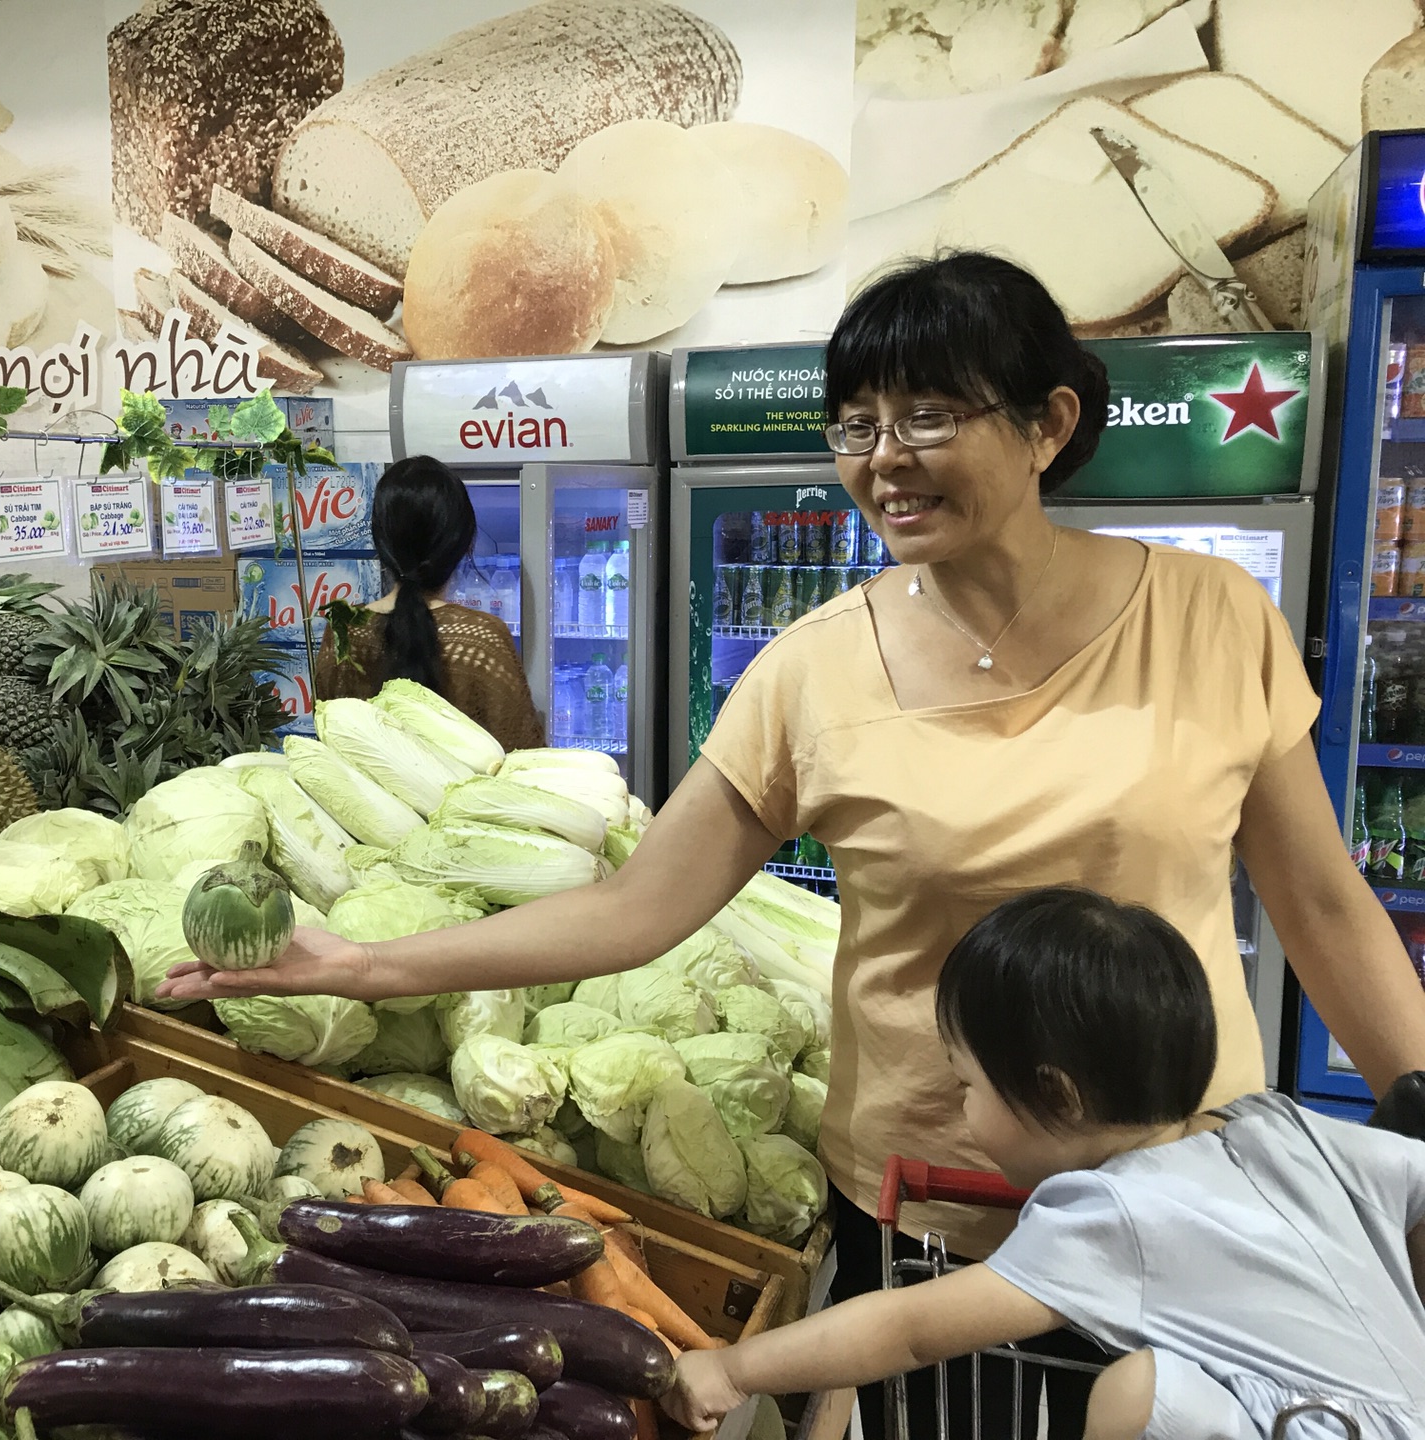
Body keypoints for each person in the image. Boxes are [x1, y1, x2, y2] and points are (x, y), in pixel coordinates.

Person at [163, 252, 1425, 1435]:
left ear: (1047, 423)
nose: (886, 460)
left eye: (930, 415)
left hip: (1197, 1179)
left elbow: (1320, 902)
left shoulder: (1213, 618)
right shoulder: (811, 671)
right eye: (857, 424)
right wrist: (358, 967)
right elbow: (635, 909)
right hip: (931, 1194)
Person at [664, 888, 1425, 1440]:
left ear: (1054, 1095)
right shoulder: (1280, 1123)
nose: (959, 1108)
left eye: (966, 1085)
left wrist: (732, 1371)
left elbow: (910, 1329)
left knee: (1139, 1394)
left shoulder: (1112, 1217)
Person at [312, 454, 543, 751]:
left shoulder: (344, 632)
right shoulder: (483, 639)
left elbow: (331, 750)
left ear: (380, 542)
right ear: (466, 542)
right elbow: (522, 759)